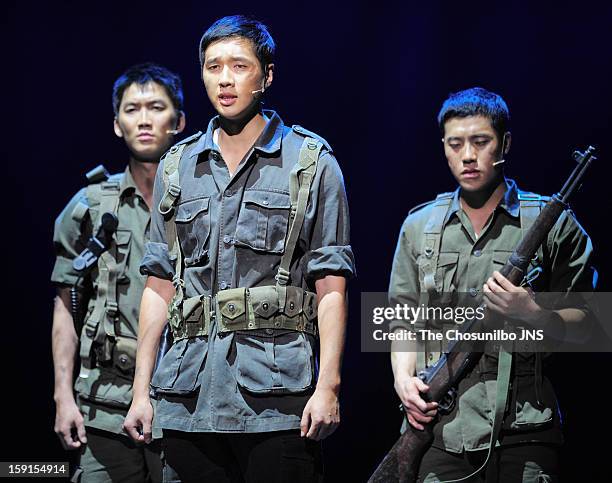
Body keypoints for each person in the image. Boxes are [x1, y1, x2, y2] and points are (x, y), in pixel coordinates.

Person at [123, 15, 355, 483]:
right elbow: (158, 283)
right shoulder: (176, 166)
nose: (225, 78)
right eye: (213, 66)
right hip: (187, 396)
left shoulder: (310, 163)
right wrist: (141, 391)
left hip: (276, 400)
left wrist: (329, 384)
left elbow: (331, 282)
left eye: (239, 65)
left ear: (267, 75)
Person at [388, 87, 595, 482]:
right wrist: (403, 380)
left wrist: (533, 314)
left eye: (481, 142)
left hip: (524, 430)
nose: (468, 155)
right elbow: (401, 317)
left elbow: (592, 323)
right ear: (444, 148)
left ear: (506, 143)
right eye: (456, 144)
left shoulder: (551, 224)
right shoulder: (419, 226)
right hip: (441, 429)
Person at [51, 62, 186, 482]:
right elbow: (64, 311)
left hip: (184, 404)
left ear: (179, 121)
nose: (144, 119)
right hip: (104, 405)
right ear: (116, 124)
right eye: (132, 109)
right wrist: (62, 397)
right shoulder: (89, 207)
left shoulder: (205, 204)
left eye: (156, 107)